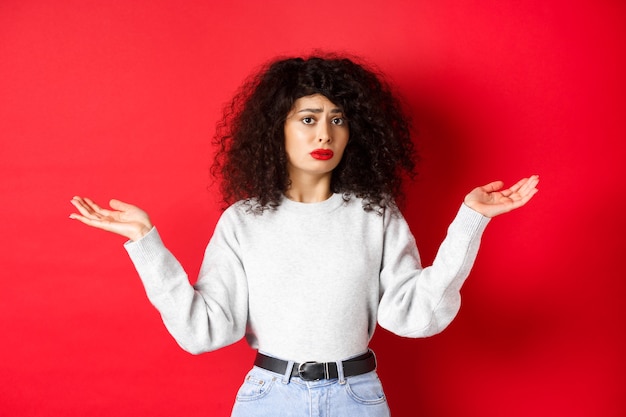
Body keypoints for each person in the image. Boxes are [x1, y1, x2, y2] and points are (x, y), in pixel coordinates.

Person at [69, 55, 539, 417]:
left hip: (357, 397)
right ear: (278, 130)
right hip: (269, 398)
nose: (326, 134)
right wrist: (145, 242)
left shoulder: (373, 215)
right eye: (308, 118)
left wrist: (470, 221)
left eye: (338, 119)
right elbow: (203, 331)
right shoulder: (243, 220)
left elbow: (413, 315)